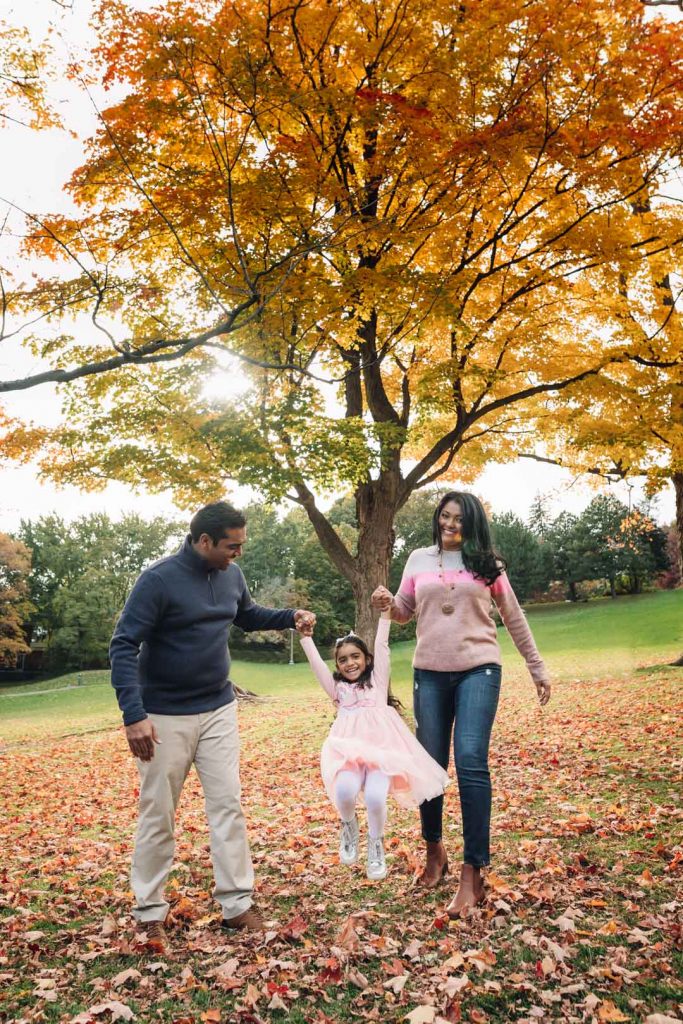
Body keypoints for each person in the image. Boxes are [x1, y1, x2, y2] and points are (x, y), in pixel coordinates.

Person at [110, 501, 315, 947]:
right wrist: (134, 716)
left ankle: (237, 904)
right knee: (159, 812)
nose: (237, 553)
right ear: (204, 541)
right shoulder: (158, 580)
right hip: (162, 716)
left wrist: (289, 617)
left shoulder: (231, 575)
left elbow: (246, 614)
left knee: (228, 805)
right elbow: (124, 644)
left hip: (218, 708)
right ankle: (149, 910)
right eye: (231, 546)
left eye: (240, 545)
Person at [372, 491, 550, 917]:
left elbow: (513, 615)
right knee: (430, 765)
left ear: (472, 525)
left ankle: (474, 872)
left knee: (470, 759)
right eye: (444, 516)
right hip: (429, 673)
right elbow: (404, 610)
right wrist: (387, 604)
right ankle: (434, 849)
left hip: (479, 669)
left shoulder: (488, 564)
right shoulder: (417, 559)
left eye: (458, 519)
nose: (449, 524)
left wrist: (536, 666)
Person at [298, 608, 450, 881]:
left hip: (381, 755)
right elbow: (318, 668)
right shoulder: (338, 691)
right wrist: (306, 639)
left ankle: (376, 846)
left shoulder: (377, 684)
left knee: (375, 797)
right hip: (347, 753)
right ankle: (349, 827)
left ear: (367, 660)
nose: (349, 663)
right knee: (344, 792)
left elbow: (382, 646)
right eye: (343, 660)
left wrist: (384, 615)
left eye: (355, 656)